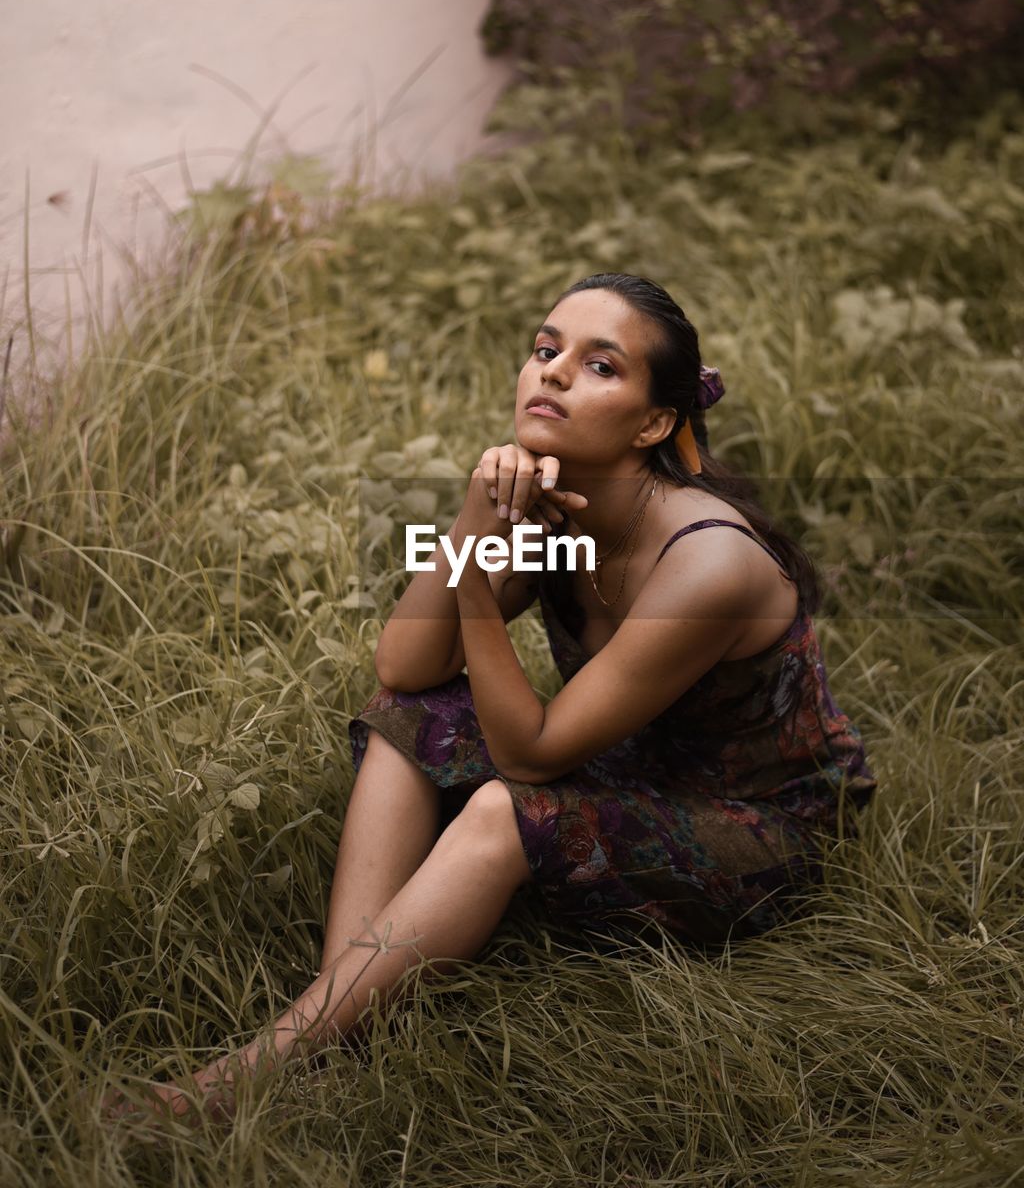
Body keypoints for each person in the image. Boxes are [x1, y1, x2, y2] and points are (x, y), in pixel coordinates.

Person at [106, 272, 877, 1123]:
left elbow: (531, 755)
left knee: (501, 811)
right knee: (407, 719)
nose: (551, 373)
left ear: (657, 422)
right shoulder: (556, 512)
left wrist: (478, 588)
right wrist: (477, 516)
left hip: (761, 827)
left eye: (599, 366)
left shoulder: (708, 562)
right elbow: (405, 666)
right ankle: (342, 1017)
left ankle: (243, 1080)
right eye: (546, 350)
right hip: (637, 758)